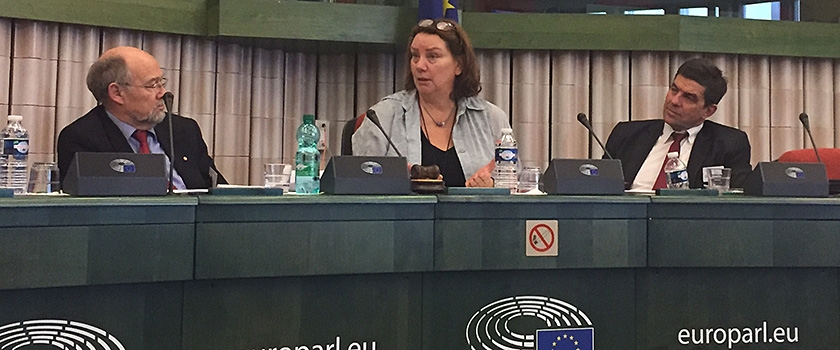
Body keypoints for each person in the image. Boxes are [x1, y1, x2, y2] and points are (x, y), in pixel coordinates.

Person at [352, 19, 510, 188]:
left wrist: (493, 185)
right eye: (415, 56)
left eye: (432, 56)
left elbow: (516, 188)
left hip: (475, 214)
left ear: (459, 65)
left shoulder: (491, 119)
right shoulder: (382, 117)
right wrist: (396, 180)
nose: (419, 66)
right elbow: (358, 185)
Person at [58, 46, 225, 189]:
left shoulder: (183, 130)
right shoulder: (82, 138)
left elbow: (219, 190)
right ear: (117, 93)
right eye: (152, 85)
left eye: (162, 83)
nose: (162, 93)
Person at [604, 58, 751, 190]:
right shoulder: (626, 134)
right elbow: (600, 186)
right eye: (674, 90)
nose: (674, 101)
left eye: (689, 97)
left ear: (708, 111)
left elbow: (736, 201)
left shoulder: (729, 144)